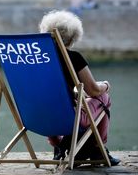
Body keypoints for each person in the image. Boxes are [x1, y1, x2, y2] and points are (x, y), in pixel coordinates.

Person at [38, 10, 120, 166]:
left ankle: (59, 146)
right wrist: (106, 85)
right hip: (68, 119)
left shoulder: (35, 60)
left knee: (54, 103)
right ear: (72, 38)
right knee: (103, 98)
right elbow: (93, 90)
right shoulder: (74, 58)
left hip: (37, 116)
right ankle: (98, 149)